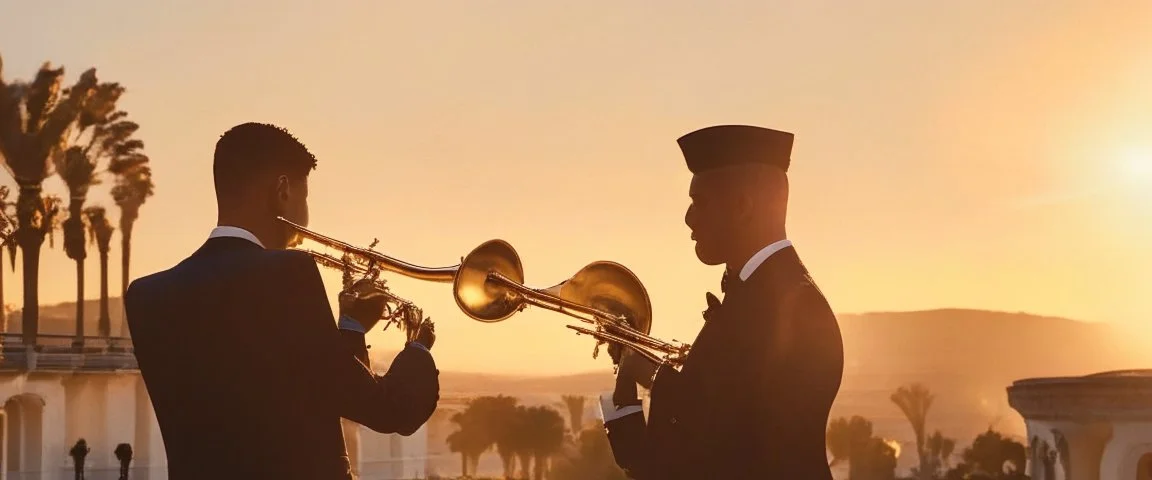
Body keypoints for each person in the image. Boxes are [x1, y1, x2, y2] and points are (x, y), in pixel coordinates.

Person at [124, 122, 439, 479]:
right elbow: (385, 410)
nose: (305, 217)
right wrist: (418, 346)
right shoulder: (290, 272)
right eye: (305, 199)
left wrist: (350, 327)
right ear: (283, 190)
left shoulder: (147, 295)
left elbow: (303, 391)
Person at [600, 125, 844, 479]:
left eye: (699, 201)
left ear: (742, 205)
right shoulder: (767, 296)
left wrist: (643, 371)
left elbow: (701, 448)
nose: (688, 217)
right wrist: (632, 371)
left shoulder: (785, 308)